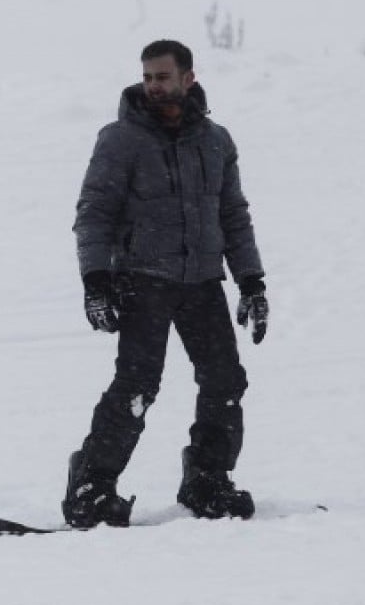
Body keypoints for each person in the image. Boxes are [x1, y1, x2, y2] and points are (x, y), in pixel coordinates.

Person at [63, 39, 270, 528]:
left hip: (202, 281)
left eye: (163, 77)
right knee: (137, 386)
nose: (153, 86)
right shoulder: (120, 139)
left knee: (224, 382)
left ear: (188, 78)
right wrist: (96, 281)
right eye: (147, 77)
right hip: (143, 280)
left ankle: (207, 479)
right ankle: (92, 486)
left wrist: (252, 281)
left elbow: (233, 216)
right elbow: (93, 214)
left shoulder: (216, 140)